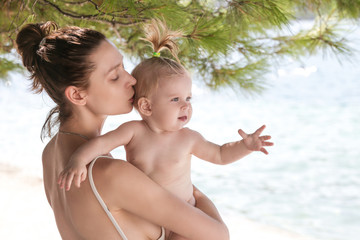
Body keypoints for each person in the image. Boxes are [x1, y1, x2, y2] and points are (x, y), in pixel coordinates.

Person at [57, 19, 273, 238]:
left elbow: (220, 154)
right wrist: (77, 161)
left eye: (188, 98)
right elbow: (100, 144)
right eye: (175, 99)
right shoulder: (133, 131)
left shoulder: (189, 138)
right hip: (154, 214)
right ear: (146, 106)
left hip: (184, 210)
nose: (186, 105)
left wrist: (244, 146)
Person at [16, 21, 230, 240]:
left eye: (123, 67)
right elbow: (218, 235)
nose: (132, 79)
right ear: (78, 95)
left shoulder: (51, 154)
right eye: (115, 76)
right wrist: (190, 189)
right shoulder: (112, 174)